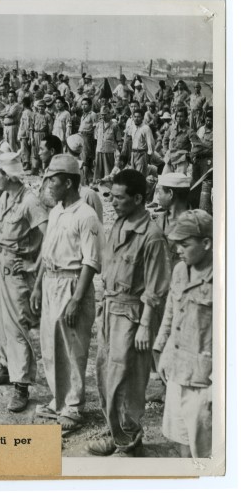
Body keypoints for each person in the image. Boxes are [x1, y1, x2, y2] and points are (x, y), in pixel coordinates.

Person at [88, 169, 170, 457]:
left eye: (119, 198)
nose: (112, 202)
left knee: (130, 379)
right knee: (106, 373)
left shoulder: (152, 236)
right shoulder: (120, 223)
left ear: (137, 199)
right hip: (111, 309)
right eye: (111, 196)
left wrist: (146, 326)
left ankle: (130, 437)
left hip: (134, 316)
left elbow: (156, 288)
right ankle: (115, 429)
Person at [30, 154, 103, 432]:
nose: (48, 185)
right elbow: (46, 252)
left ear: (69, 183)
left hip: (72, 283)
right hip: (51, 281)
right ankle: (58, 399)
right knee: (50, 346)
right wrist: (38, 286)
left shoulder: (86, 215)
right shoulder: (56, 212)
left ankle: (73, 405)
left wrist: (76, 299)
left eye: (54, 180)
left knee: (73, 347)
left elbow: (91, 262)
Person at [0, 151, 48, 413]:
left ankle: (21, 385)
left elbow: (49, 236)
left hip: (17, 270)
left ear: (8, 176)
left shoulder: (30, 201)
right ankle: (5, 364)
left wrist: (33, 265)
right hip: (0, 263)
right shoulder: (5, 196)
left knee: (17, 327)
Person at [153, 210, 213, 458]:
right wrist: (161, 350)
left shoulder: (224, 280)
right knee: (182, 440)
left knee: (205, 451)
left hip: (204, 381)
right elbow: (170, 313)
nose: (178, 249)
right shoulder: (180, 270)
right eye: (177, 243)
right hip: (177, 371)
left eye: (185, 244)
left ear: (206, 243)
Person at [156, 173, 192, 271]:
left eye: (159, 192)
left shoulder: (194, 223)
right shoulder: (160, 220)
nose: (157, 197)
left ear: (170, 194)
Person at [162, 107, 192, 175]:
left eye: (181, 116)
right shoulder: (171, 128)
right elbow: (165, 140)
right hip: (170, 159)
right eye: (177, 116)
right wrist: (166, 151)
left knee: (179, 179)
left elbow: (196, 145)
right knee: (165, 178)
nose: (179, 118)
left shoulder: (189, 131)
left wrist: (189, 155)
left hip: (181, 160)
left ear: (186, 118)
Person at [94, 106, 119, 183]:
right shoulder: (98, 125)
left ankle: (108, 185)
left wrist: (116, 152)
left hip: (109, 151)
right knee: (98, 170)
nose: (103, 116)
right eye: (102, 114)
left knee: (108, 170)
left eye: (105, 114)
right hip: (99, 150)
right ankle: (97, 184)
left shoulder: (114, 125)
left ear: (109, 114)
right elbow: (96, 137)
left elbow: (118, 139)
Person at [128, 108, 155, 175]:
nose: (136, 119)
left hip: (142, 153)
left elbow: (150, 143)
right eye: (135, 117)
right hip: (133, 153)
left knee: (140, 175)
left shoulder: (146, 128)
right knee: (133, 174)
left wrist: (149, 155)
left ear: (142, 118)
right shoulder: (133, 127)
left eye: (138, 117)